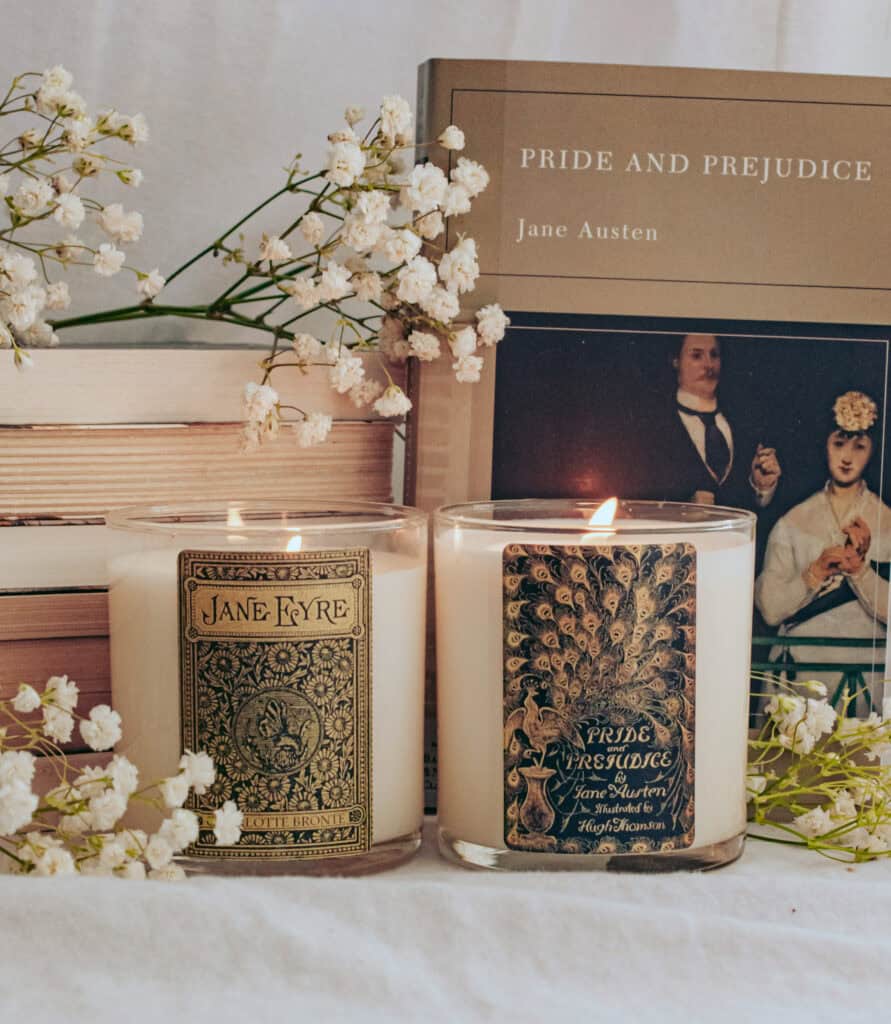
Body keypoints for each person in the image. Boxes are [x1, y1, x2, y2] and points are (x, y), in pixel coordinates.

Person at [755, 391, 890, 709]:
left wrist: (860, 571)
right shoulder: (793, 520)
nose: (847, 457)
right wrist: (813, 573)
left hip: (867, 682)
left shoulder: (886, 521)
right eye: (839, 443)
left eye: (859, 446)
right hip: (801, 680)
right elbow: (770, 609)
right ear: (824, 445)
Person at [645, 334, 782, 509]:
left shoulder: (745, 424)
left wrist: (762, 488)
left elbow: (754, 507)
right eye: (696, 356)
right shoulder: (651, 426)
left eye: (714, 355)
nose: (709, 365)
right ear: (675, 361)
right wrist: (683, 508)